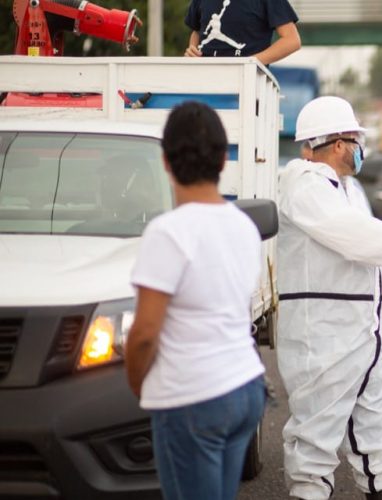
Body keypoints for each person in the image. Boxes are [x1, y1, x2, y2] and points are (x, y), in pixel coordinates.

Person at [276, 96, 382, 500]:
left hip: (362, 334)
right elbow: (352, 236)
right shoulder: (303, 184)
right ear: (336, 144)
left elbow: (365, 232)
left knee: (374, 431)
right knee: (315, 439)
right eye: (355, 139)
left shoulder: (346, 188)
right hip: (324, 336)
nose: (360, 148)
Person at [125, 101, 266, 500]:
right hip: (245, 387)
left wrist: (141, 386)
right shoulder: (243, 224)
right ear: (223, 160)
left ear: (166, 162)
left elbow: (144, 334)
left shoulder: (168, 232)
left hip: (193, 397)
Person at [184, 0, 301, 65]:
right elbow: (198, 31)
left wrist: (249, 63)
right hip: (204, 80)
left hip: (248, 88)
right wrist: (192, 49)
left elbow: (291, 40)